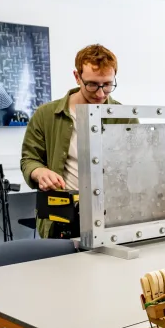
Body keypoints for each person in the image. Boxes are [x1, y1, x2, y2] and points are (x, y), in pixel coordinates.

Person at [20, 44, 138, 238]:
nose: (100, 93)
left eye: (107, 84)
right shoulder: (46, 115)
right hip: (61, 218)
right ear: (77, 77)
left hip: (111, 216)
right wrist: (39, 172)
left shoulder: (124, 117)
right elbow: (29, 159)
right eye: (92, 84)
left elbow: (138, 168)